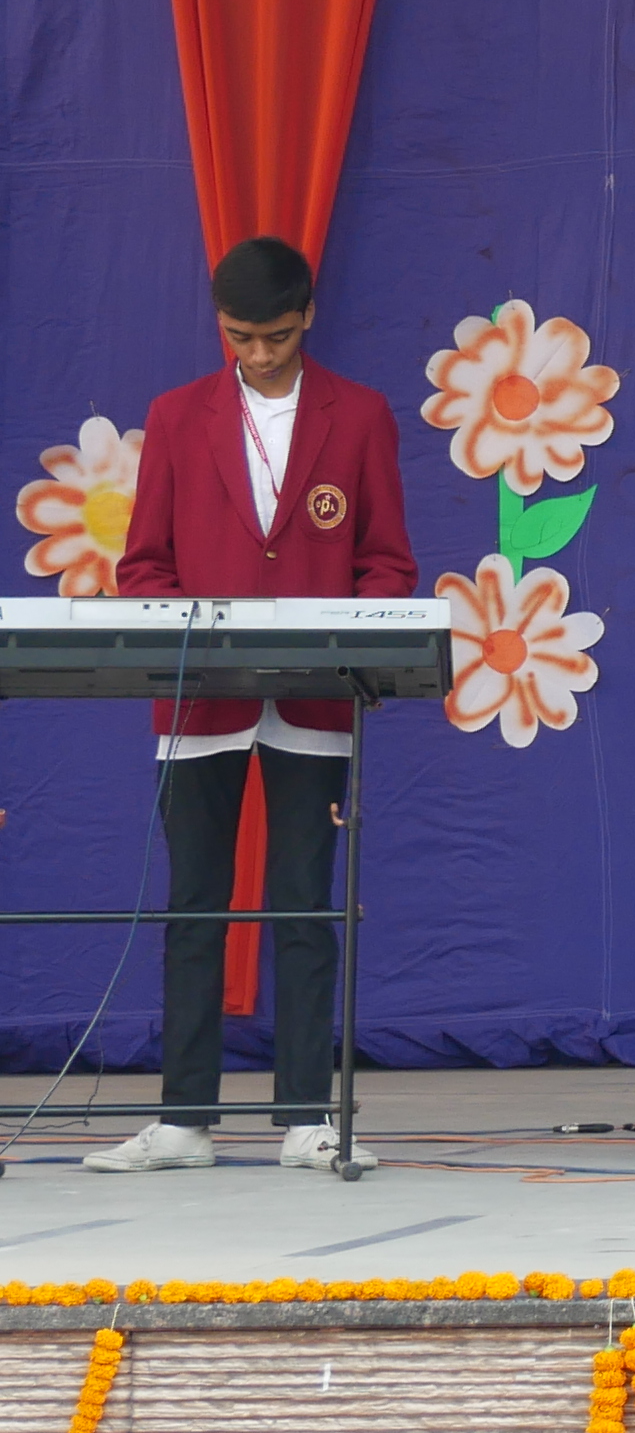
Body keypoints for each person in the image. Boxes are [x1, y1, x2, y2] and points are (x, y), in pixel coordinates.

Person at [93, 236, 417, 1175]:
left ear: (308, 315)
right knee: (194, 904)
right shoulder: (176, 415)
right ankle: (183, 1120)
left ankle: (307, 1117)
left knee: (305, 904)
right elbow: (143, 564)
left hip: (314, 699)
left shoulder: (360, 414)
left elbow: (386, 561)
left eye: (277, 335)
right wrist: (198, 636)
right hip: (201, 702)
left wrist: (342, 639)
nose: (260, 354)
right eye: (241, 337)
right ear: (220, 325)